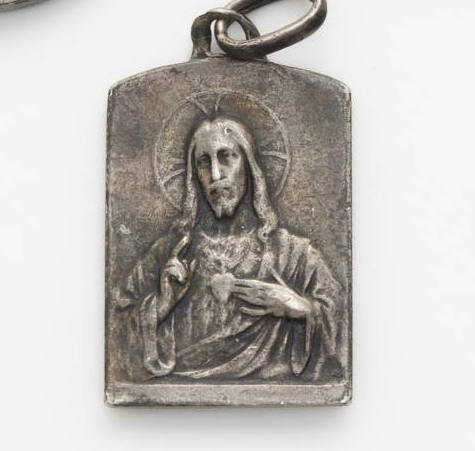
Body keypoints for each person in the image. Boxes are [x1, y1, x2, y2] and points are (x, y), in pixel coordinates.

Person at [114, 117, 346, 384]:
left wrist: (300, 309)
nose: (215, 175)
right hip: (182, 402)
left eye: (226, 157)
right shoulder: (170, 253)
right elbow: (116, 334)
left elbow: (341, 325)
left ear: (249, 165)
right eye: (203, 163)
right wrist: (161, 305)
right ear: (194, 176)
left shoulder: (292, 254)